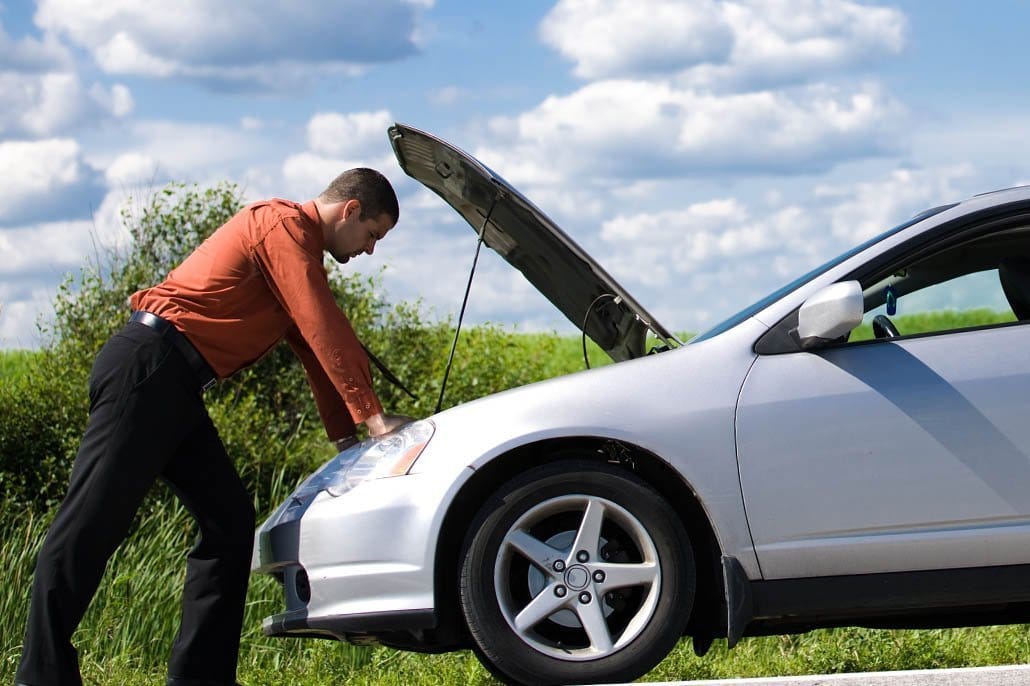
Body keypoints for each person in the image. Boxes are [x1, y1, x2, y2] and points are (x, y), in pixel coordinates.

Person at [15, 168, 413, 686]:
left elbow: (314, 353)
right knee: (90, 523)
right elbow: (323, 324)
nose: (369, 249)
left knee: (229, 520)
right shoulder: (281, 226)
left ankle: (201, 678)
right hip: (147, 369)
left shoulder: (298, 255)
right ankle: (40, 676)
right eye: (372, 234)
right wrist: (375, 417)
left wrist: (347, 440)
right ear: (350, 210)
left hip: (175, 386)